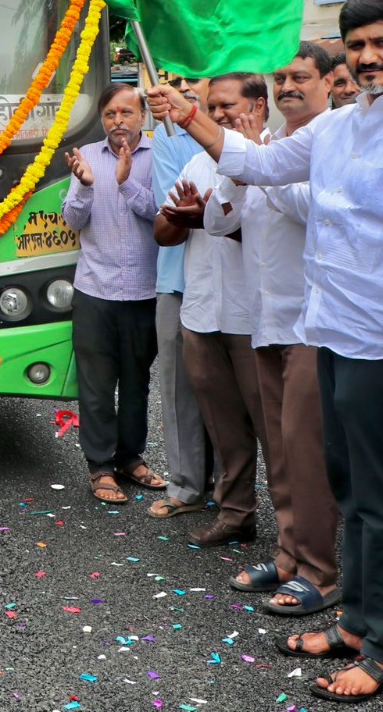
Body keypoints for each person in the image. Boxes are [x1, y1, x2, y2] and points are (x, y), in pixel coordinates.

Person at [147, 0, 383, 702]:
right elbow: (259, 164)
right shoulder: (338, 127)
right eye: (356, 45)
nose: (367, 57)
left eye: (382, 43)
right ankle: (359, 623)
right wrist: (190, 114)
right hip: (329, 330)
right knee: (352, 492)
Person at [216, 45, 342, 617]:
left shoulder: (336, 139)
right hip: (264, 318)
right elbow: (221, 221)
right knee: (281, 450)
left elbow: (315, 209)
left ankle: (321, 569)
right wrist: (246, 167)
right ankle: (289, 554)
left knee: (306, 450)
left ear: (327, 83)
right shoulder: (268, 147)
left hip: (313, 321)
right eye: (282, 77)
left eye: (300, 77)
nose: (289, 85)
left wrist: (264, 163)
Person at [155, 74, 264, 547]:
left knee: (277, 430)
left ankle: (299, 539)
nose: (217, 115)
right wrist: (181, 220)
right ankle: (236, 514)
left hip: (256, 317)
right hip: (201, 312)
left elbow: (272, 234)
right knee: (224, 427)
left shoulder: (275, 161)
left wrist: (211, 219)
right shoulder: (197, 163)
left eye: (227, 106)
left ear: (258, 105)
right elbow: (162, 233)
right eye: (210, 107)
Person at [62, 83, 163, 505]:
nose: (117, 121)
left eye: (125, 112)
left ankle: (130, 458)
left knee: (137, 382)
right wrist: (85, 186)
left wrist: (126, 185)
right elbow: (71, 219)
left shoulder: (162, 157)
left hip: (145, 291)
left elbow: (165, 217)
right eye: (109, 114)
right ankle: (100, 467)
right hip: (95, 290)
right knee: (98, 385)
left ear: (143, 116)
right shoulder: (87, 157)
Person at [147, 72, 212, 520]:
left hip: (235, 283)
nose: (186, 94)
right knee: (176, 389)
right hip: (177, 280)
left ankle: (233, 491)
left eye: (194, 88)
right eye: (177, 89)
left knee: (231, 397)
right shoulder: (168, 138)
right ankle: (186, 484)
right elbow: (173, 207)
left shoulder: (250, 138)